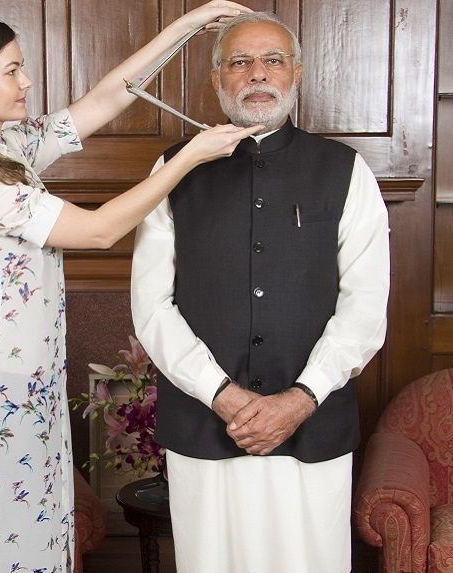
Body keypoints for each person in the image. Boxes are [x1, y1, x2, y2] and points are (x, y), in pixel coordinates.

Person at [0, 4, 260, 572]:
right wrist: (189, 159)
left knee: (41, 537)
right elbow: (99, 231)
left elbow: (107, 98)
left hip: (32, 376)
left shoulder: (7, 149)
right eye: (11, 71)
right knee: (6, 544)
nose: (27, 82)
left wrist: (190, 24)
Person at [131, 11, 390, 573]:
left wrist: (300, 399)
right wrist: (222, 395)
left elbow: (366, 308)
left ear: (296, 72)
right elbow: (150, 307)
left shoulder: (345, 170)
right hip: (204, 423)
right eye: (240, 62)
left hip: (313, 426)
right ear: (216, 79)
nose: (257, 74)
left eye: (273, 60)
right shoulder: (173, 169)